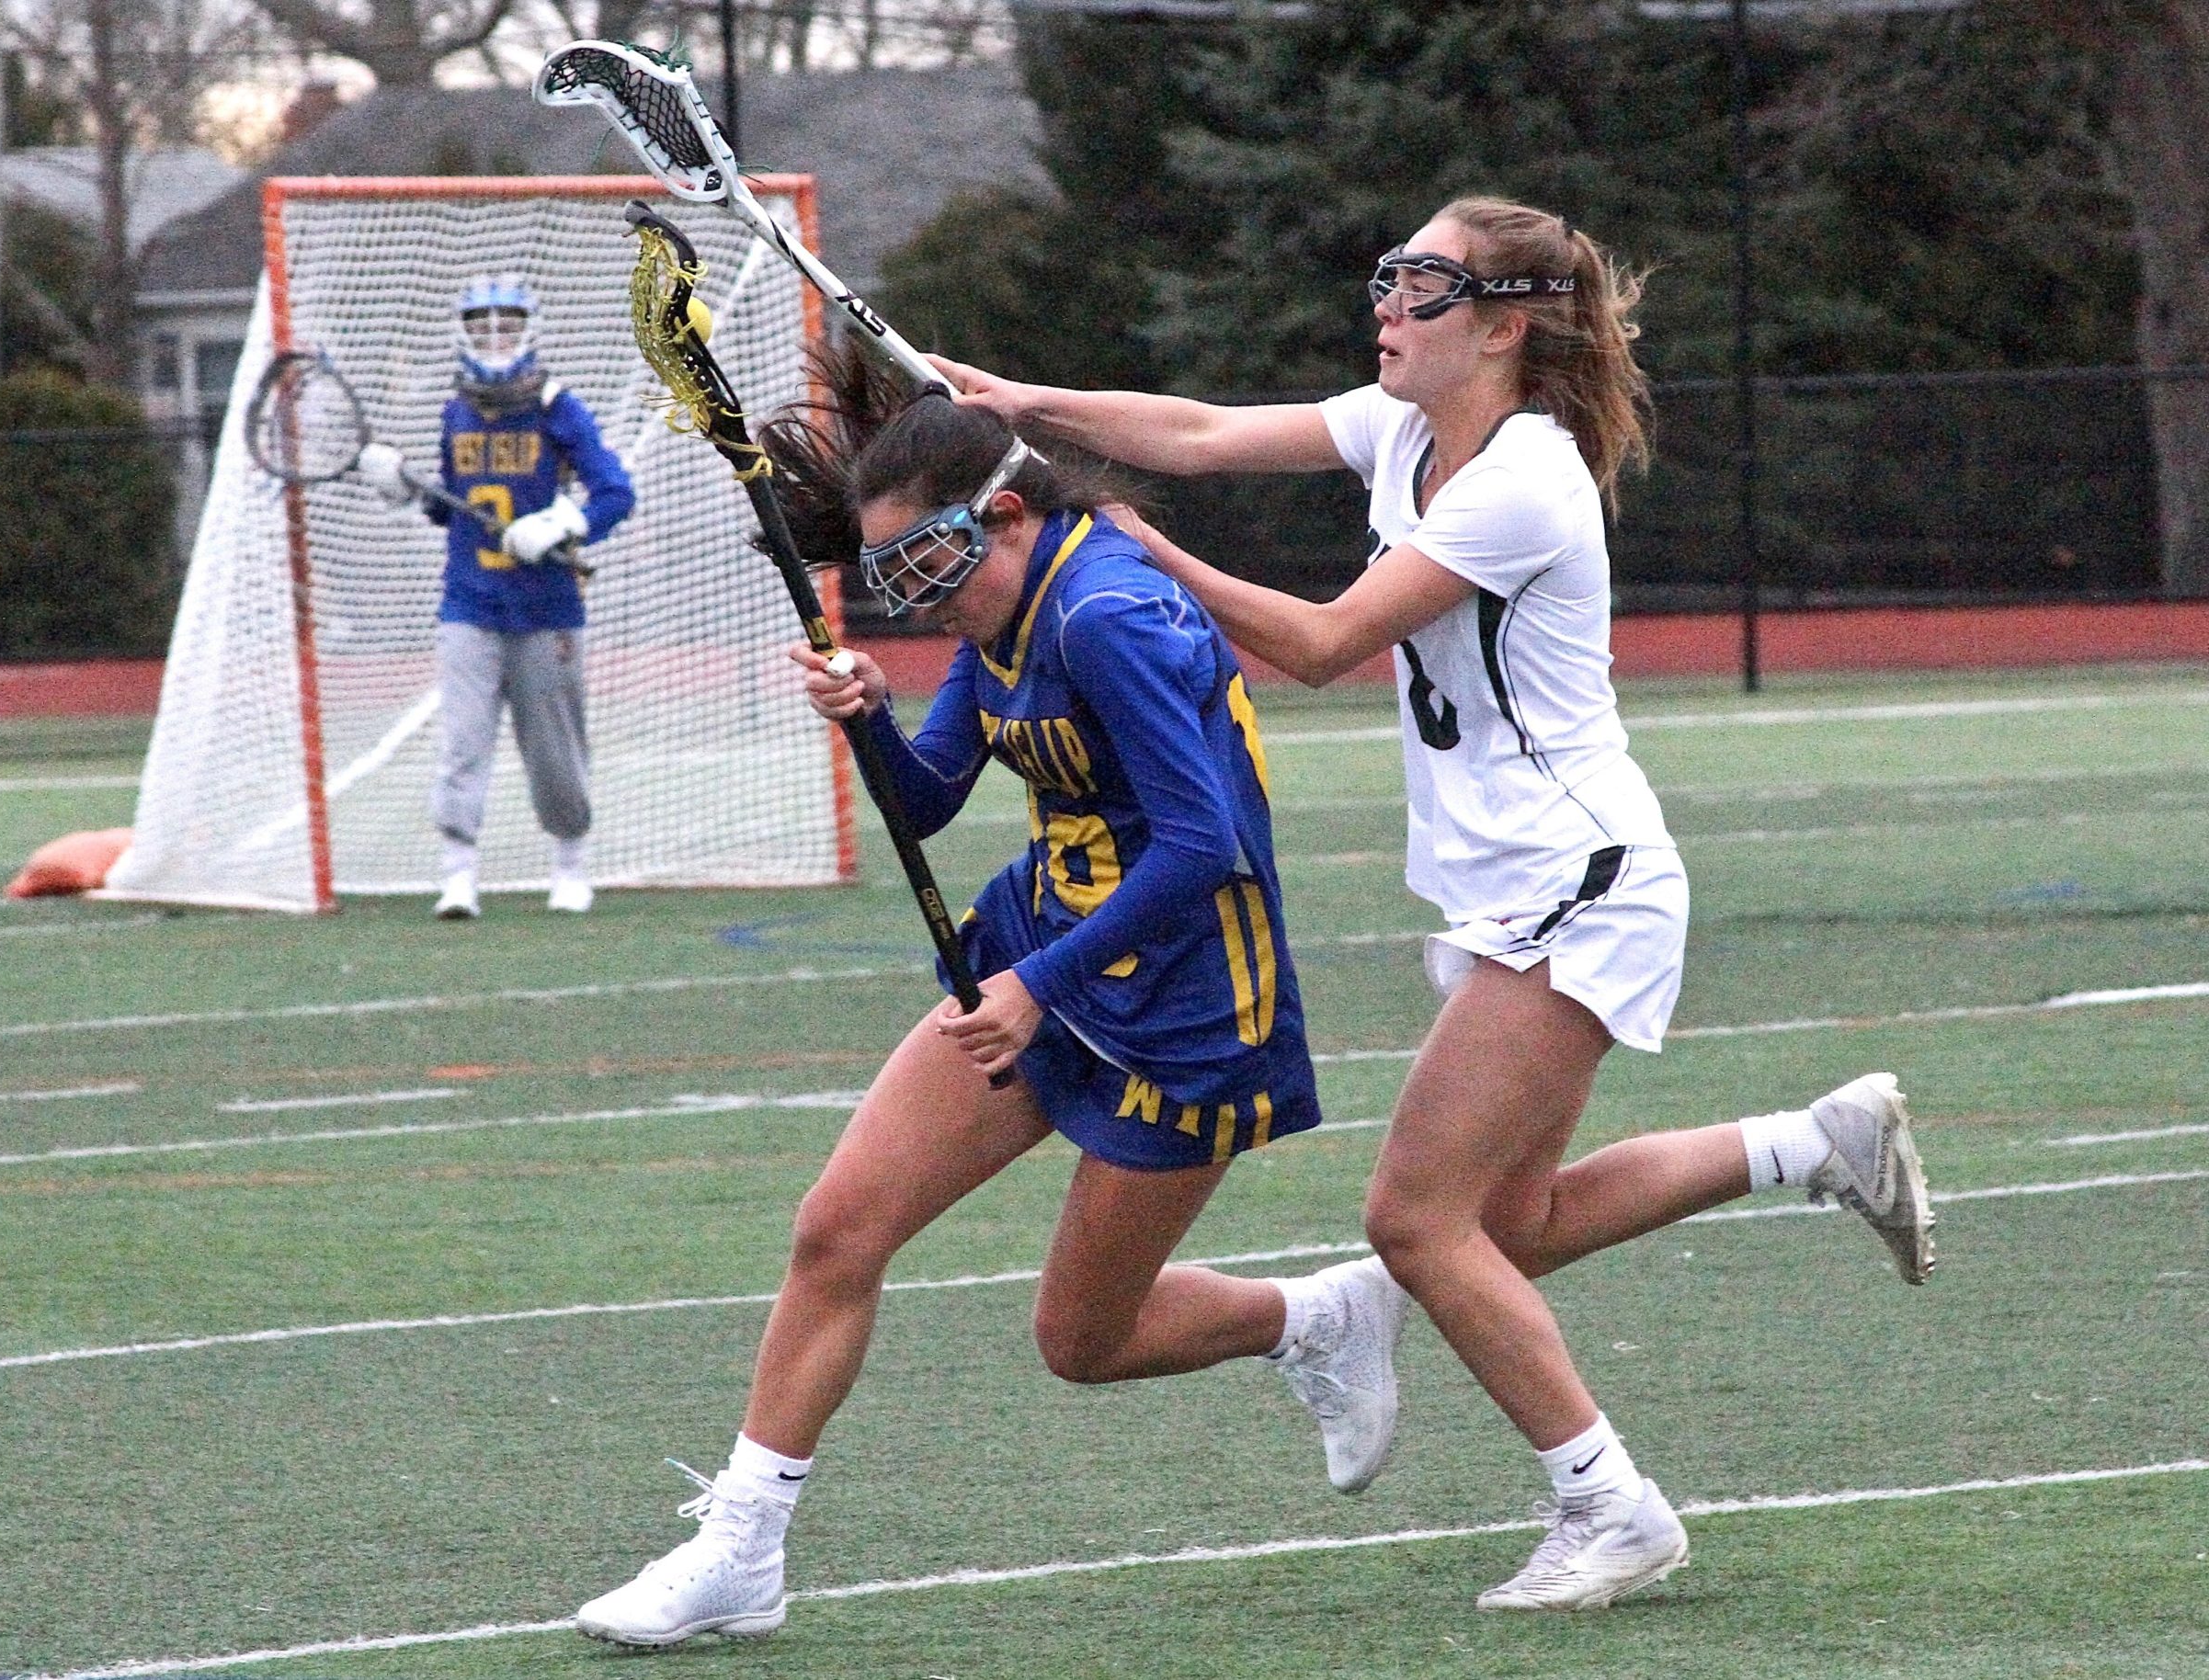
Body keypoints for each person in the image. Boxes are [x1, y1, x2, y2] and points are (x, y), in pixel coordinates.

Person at [929, 195, 1939, 1612]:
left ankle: (1611, 1504)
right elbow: (1210, 434)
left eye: (1421, 285)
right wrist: (1020, 400)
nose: (1387, 307)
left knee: (1416, 1223)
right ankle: (1808, 1144)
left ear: (1506, 325)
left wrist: (1125, 545)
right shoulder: (1409, 424)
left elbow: (1326, 642)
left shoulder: (1527, 474)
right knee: (1502, 1225)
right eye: (1389, 279)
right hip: (1510, 888)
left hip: (1576, 886)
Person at [571, 355, 1411, 1651]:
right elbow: (926, 802)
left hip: (1188, 998)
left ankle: (1317, 1318)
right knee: (838, 1230)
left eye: (929, 565)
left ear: (1008, 516)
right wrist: (866, 719)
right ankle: (742, 1547)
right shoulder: (997, 620)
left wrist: (1033, 988)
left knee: (1084, 1340)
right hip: (1048, 941)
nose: (918, 596)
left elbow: (1206, 848)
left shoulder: (1103, 617)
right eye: (892, 574)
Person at [356, 276, 635, 918]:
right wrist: (404, 486)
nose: (494, 338)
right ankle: (458, 875)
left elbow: (616, 492)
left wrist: (564, 523)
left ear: (527, 331)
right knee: (462, 741)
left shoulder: (557, 406)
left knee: (555, 746)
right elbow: (456, 509)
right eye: (482, 327)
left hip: (547, 608)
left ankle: (569, 865)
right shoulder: (456, 410)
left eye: (505, 326)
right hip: (469, 603)